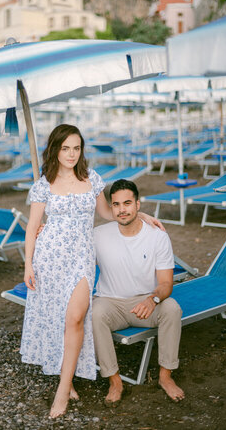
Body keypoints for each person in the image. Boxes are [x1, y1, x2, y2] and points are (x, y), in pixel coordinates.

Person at [20, 124, 164, 419]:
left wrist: (141, 213)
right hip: (49, 259)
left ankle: (62, 389)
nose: (72, 154)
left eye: (76, 148)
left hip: (81, 260)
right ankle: (67, 377)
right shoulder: (43, 184)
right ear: (55, 150)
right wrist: (28, 264)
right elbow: (33, 227)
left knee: (75, 318)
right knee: (56, 317)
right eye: (65, 148)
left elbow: (108, 213)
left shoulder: (92, 178)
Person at [92, 179, 184, 405]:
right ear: (111, 208)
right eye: (116, 205)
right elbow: (68, 242)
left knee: (172, 308)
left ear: (138, 205)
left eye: (127, 203)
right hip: (111, 303)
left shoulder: (157, 236)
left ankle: (165, 376)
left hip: (145, 303)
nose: (122, 210)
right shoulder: (98, 234)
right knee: (94, 313)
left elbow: (165, 284)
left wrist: (152, 300)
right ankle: (115, 380)